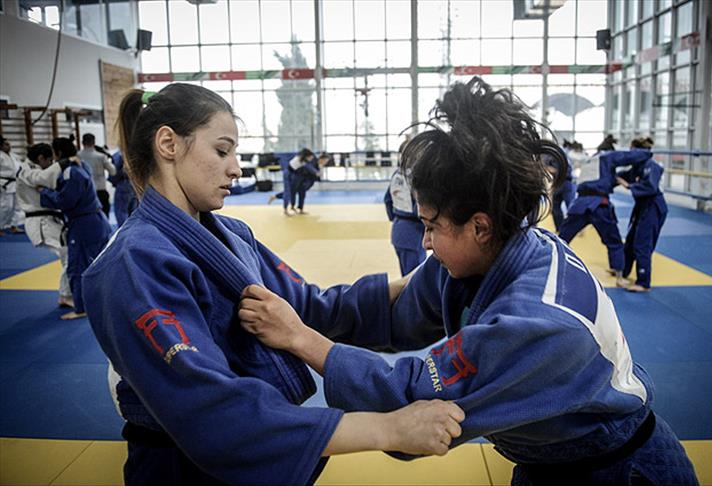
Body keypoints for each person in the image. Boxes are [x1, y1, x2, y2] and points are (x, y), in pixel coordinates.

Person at [239, 77, 697, 485]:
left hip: (616, 470)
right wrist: (300, 307)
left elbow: (412, 402)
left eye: (431, 226)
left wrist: (301, 339)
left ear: (479, 226)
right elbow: (394, 312)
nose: (425, 242)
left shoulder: (540, 322)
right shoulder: (483, 253)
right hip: (542, 459)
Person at [81, 84, 464, 486]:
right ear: (168, 144)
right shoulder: (134, 263)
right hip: (182, 468)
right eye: (222, 151)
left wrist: (424, 275)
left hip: (261, 443)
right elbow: (214, 412)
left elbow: (310, 308)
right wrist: (387, 428)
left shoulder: (233, 234)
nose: (236, 169)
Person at [558, 146, 653, 286]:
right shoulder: (607, 157)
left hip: (579, 205)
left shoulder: (589, 161)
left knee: (561, 238)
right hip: (599, 205)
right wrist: (648, 153)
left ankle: (552, 265)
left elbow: (606, 180)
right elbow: (629, 156)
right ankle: (619, 277)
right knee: (614, 241)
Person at [40, 137, 111, 320]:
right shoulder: (81, 165)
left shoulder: (71, 172)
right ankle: (104, 300)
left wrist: (44, 192)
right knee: (97, 262)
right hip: (95, 220)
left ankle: (81, 308)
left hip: (84, 224)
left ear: (58, 153)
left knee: (77, 266)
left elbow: (66, 201)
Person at [15, 143, 73, 308]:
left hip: (49, 220)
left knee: (70, 254)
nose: (51, 164)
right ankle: (65, 295)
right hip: (40, 222)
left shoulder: (32, 169)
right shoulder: (25, 170)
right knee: (69, 255)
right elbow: (41, 178)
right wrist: (63, 163)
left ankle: (68, 292)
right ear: (41, 158)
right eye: (50, 160)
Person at [616, 137, 668, 293]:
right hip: (642, 206)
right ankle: (624, 271)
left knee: (642, 243)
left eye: (632, 151)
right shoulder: (636, 167)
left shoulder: (652, 166)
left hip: (653, 206)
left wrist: (629, 185)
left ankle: (644, 282)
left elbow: (651, 188)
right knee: (630, 240)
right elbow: (621, 175)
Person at [384, 165, 426, 276]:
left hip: (398, 228)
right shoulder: (418, 175)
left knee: (407, 276)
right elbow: (422, 207)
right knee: (416, 278)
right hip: (413, 234)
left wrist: (395, 217)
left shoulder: (397, 174)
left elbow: (387, 200)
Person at [78, 133, 117, 218]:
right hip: (100, 191)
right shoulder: (101, 156)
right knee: (103, 218)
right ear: (94, 142)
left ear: (82, 142)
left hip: (84, 193)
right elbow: (113, 171)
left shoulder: (77, 156)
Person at [544, 141, 577, 232]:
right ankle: (561, 228)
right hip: (558, 182)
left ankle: (574, 227)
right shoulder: (550, 155)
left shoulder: (557, 155)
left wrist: (545, 168)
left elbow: (559, 170)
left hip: (565, 182)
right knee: (555, 208)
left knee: (570, 206)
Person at [0, 136, 25, 236]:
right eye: (6, 144)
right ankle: (0, 227)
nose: (9, 146)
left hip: (15, 183)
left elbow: (21, 166)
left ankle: (14, 226)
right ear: (1, 146)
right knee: (6, 206)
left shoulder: (13, 155)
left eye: (9, 144)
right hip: (4, 184)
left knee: (16, 206)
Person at [107, 150, 138, 227]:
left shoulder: (118, 155)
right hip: (134, 185)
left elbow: (114, 173)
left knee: (121, 212)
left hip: (123, 184)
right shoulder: (136, 152)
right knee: (133, 212)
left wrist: (114, 182)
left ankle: (125, 232)